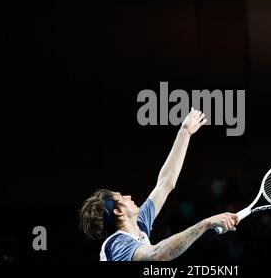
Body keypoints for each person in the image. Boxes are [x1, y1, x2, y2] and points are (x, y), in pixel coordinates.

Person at [79, 108, 238, 261]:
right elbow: (157, 255)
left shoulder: (139, 224)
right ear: (118, 211)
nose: (128, 196)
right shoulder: (117, 245)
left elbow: (165, 183)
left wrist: (185, 132)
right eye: (122, 198)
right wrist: (206, 224)